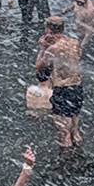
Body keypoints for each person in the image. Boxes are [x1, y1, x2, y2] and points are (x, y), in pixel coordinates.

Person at [34, 17, 84, 148]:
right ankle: (80, 157)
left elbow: (39, 67)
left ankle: (66, 164)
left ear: (49, 30)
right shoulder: (75, 43)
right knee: (75, 132)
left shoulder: (53, 49)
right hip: (77, 89)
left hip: (63, 91)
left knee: (64, 134)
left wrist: (42, 47)